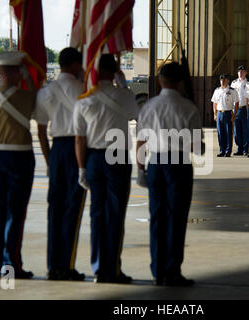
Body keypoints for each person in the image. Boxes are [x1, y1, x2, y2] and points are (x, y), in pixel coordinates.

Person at [136, 62, 204, 286]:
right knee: (176, 219)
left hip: (155, 162)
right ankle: (172, 270)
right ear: (181, 82)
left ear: (160, 81)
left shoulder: (149, 106)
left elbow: (140, 141)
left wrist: (140, 169)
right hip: (179, 164)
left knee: (158, 217)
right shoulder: (189, 108)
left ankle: (158, 271)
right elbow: (197, 147)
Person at [74, 54, 138, 283]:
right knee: (116, 214)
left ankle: (99, 268)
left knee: (97, 214)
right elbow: (136, 115)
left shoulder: (84, 100)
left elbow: (79, 140)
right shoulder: (124, 96)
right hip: (117, 157)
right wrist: (123, 85)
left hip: (92, 159)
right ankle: (113, 269)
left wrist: (81, 169)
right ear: (115, 71)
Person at [0, 51, 37, 279]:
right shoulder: (26, 96)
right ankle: (11, 266)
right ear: (17, 72)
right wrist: (28, 77)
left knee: (0, 211)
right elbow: (36, 96)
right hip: (20, 158)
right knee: (16, 213)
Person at [34, 48, 86, 281]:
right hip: (77, 148)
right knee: (72, 208)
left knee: (54, 209)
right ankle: (67, 265)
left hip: (56, 150)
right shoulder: (83, 89)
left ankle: (53, 265)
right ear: (76, 64)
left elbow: (41, 131)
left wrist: (48, 159)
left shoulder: (46, 92)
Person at [211, 74, 238, 157]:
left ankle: (228, 151)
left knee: (228, 132)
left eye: (224, 80)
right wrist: (215, 114)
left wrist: (234, 115)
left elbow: (236, 103)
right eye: (221, 80)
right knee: (220, 133)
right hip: (219, 113)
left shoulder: (232, 91)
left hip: (228, 113)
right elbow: (214, 103)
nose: (222, 81)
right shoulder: (217, 90)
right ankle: (222, 150)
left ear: (228, 81)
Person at [231, 65, 249, 155]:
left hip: (245, 109)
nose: (241, 73)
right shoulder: (234, 83)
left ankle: (246, 149)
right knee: (237, 130)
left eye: (242, 71)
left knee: (245, 129)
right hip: (236, 109)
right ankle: (239, 148)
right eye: (239, 71)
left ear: (246, 72)